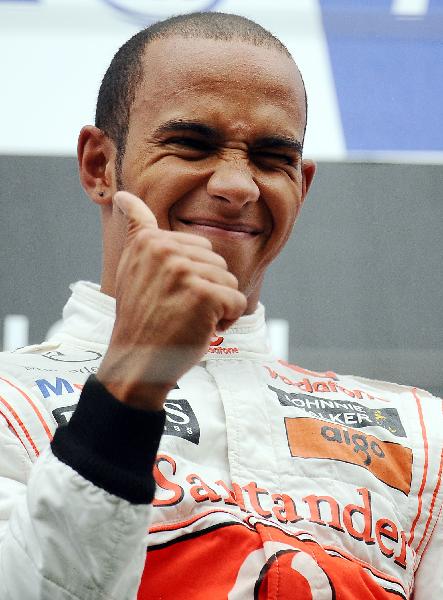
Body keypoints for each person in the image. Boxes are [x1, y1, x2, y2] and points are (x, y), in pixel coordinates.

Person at [0, 11, 441, 599]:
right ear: (99, 165)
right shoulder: (10, 403)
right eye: (191, 144)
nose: (238, 185)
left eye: (270, 157)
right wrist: (130, 384)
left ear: (302, 187)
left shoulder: (421, 434)